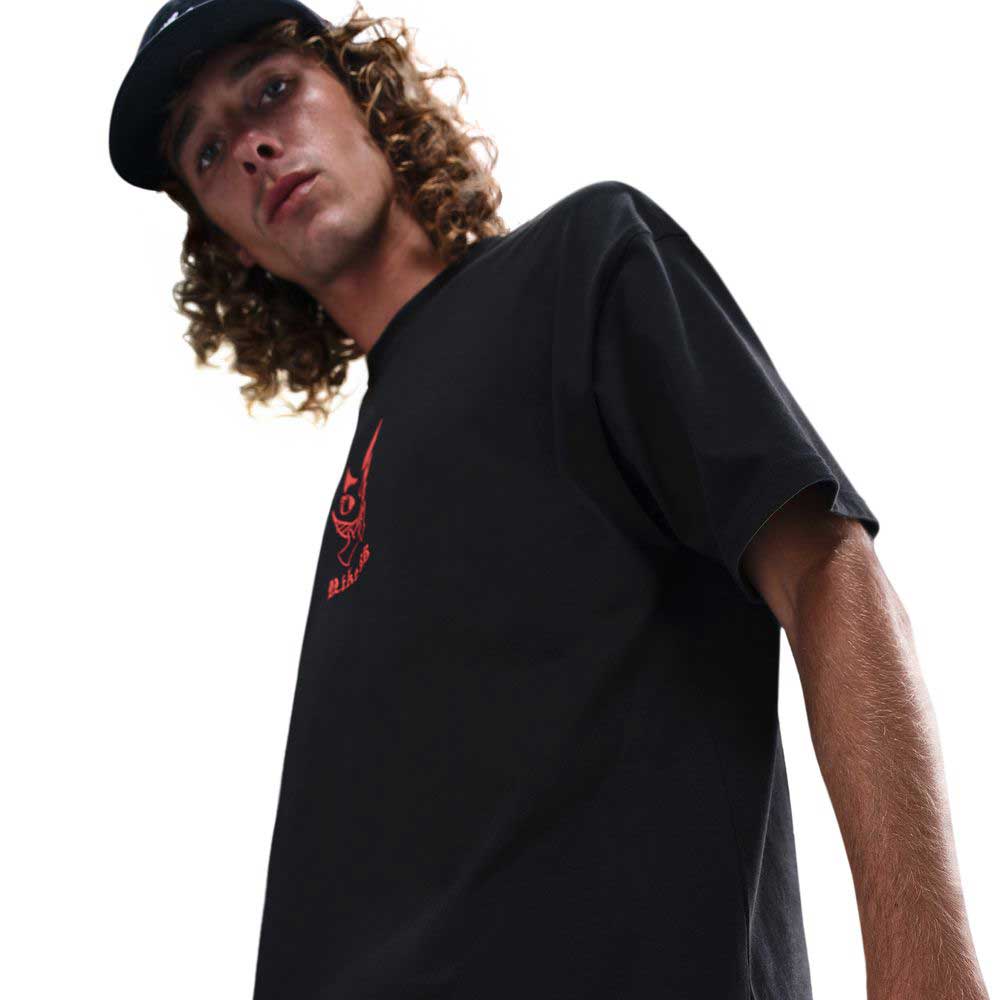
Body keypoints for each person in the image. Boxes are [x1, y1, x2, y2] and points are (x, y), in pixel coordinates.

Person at [109, 3, 991, 999]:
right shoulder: (364, 481)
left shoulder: (581, 266)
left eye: (272, 89)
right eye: (209, 153)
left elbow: (830, 571)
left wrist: (928, 972)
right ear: (227, 246)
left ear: (372, 101)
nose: (256, 146)